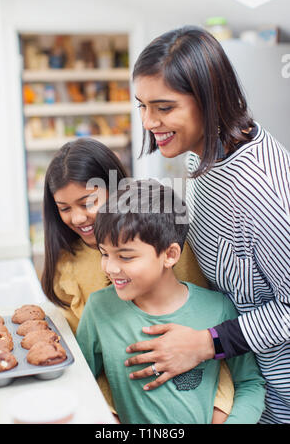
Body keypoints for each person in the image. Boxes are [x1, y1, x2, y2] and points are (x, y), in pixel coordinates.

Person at [124, 25, 290, 424]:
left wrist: (206, 342)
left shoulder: (262, 189)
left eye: (164, 108)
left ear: (209, 100)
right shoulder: (202, 154)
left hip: (277, 395)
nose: (148, 121)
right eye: (142, 106)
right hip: (238, 375)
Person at [40, 137, 232, 416]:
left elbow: (209, 328)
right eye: (65, 208)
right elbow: (86, 360)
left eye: (87, 202)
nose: (78, 218)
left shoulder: (166, 247)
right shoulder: (65, 262)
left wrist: (220, 413)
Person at [76, 180, 265, 424]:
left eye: (125, 256)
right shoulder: (99, 309)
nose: (110, 267)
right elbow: (79, 383)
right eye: (104, 254)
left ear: (170, 255)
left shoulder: (217, 308)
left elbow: (250, 383)